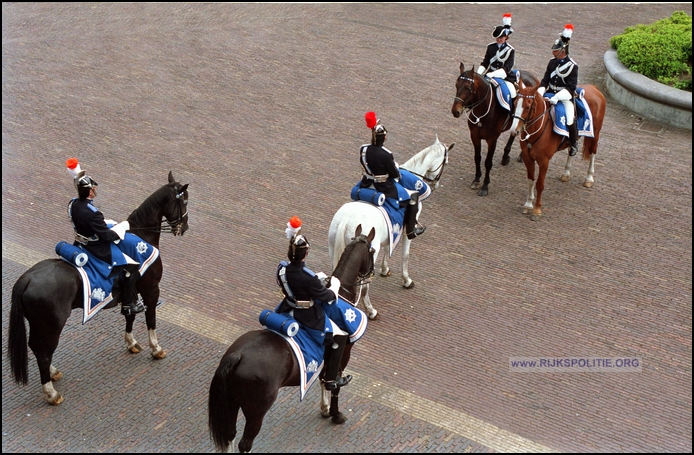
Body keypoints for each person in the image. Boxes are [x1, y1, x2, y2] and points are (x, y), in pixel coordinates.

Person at [275, 216, 352, 390]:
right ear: (306, 254)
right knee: (340, 336)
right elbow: (328, 297)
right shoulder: (310, 278)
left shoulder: (281, 269)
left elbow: (288, 284)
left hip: (286, 308)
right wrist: (335, 285)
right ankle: (331, 380)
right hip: (307, 315)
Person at [66, 158, 145, 315]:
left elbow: (89, 223)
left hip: (79, 243)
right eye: (93, 188)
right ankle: (128, 305)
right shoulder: (93, 213)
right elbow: (107, 236)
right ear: (89, 192)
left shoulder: (73, 204)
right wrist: (121, 227)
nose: (95, 190)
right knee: (132, 265)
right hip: (96, 248)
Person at [358, 111, 425, 239]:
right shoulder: (386, 154)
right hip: (383, 187)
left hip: (366, 182)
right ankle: (411, 231)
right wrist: (394, 167)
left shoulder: (363, 149)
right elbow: (395, 174)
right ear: (384, 138)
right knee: (413, 196)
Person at [537, 24, 579, 156]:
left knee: (570, 118)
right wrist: (539, 93)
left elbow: (571, 87)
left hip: (565, 97)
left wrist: (556, 97)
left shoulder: (572, 66)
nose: (553, 52)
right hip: (550, 92)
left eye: (556, 50)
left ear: (562, 51)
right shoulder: (552, 62)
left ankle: (573, 143)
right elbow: (545, 80)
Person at [477, 13, 517, 89]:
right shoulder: (490, 47)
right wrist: (478, 73)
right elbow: (485, 63)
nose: (498, 39)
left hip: (504, 76)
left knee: (511, 92)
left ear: (505, 37)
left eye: (501, 37)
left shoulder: (510, 50)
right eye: (497, 37)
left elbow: (507, 67)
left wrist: (493, 74)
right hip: (489, 74)